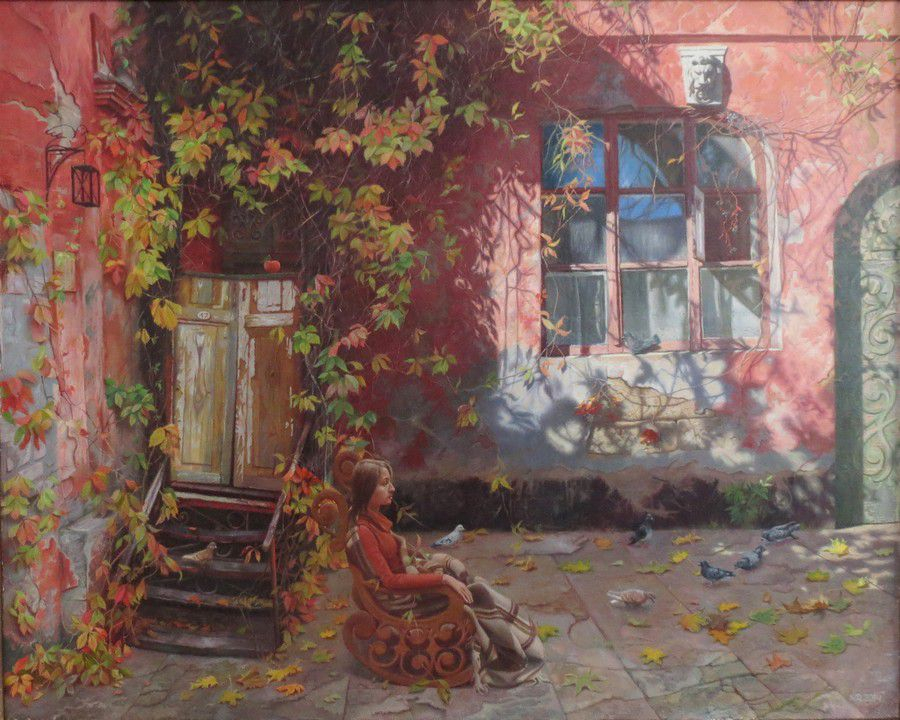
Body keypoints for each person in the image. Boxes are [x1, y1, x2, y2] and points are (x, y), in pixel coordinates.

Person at [345, 458, 545, 692]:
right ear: (367, 489)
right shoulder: (364, 532)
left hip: (408, 590)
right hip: (403, 602)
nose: (392, 488)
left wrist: (434, 565)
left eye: (390, 482)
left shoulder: (375, 523)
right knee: (475, 593)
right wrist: (443, 578)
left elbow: (398, 562)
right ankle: (508, 657)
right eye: (384, 483)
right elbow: (390, 581)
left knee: (475, 587)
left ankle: (517, 647)